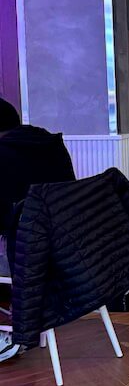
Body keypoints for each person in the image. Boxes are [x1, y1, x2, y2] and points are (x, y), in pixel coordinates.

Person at [0, 97, 75, 362]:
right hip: (65, 248)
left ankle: (10, 334)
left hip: (30, 257)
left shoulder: (4, 157)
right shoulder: (49, 144)